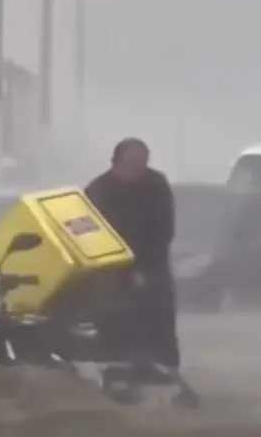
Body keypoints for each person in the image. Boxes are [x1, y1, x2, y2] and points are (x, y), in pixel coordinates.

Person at [85, 138, 180, 371]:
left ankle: (167, 372)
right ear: (116, 163)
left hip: (152, 265)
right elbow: (90, 238)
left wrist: (145, 269)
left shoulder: (156, 184)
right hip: (111, 271)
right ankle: (116, 369)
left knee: (160, 318)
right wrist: (125, 270)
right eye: (132, 163)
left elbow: (164, 230)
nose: (139, 169)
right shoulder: (98, 191)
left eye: (143, 163)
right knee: (114, 321)